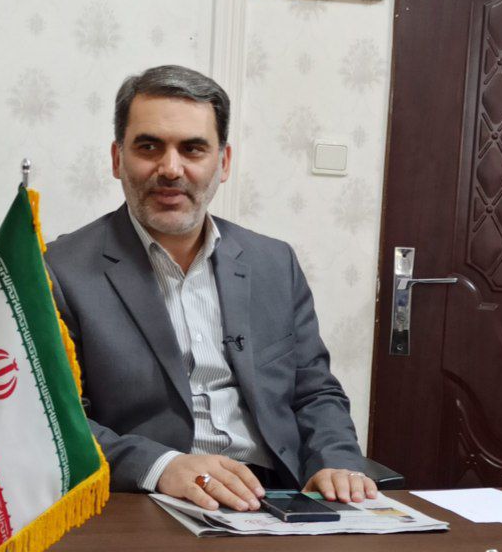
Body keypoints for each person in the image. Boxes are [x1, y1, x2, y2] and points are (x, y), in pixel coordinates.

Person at [44, 65, 377, 513]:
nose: (171, 169)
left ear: (223, 163)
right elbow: (54, 419)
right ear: (117, 158)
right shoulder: (59, 271)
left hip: (277, 498)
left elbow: (315, 392)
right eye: (148, 147)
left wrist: (336, 461)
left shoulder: (274, 263)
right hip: (150, 499)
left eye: (193, 148)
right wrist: (161, 466)